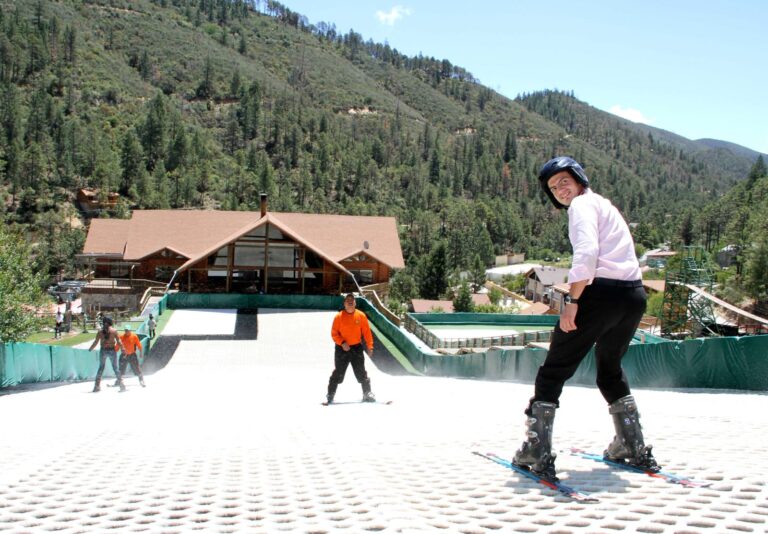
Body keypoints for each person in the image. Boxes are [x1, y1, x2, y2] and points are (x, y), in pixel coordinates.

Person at [512, 156, 660, 481]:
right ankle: (631, 445)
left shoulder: (580, 207)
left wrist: (573, 300)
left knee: (553, 370)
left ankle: (536, 449)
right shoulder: (604, 205)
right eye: (553, 188)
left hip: (599, 295)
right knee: (609, 370)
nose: (560, 190)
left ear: (578, 178)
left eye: (563, 181)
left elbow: (587, 253)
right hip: (632, 296)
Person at [326, 293, 375, 403]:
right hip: (341, 349)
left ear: (355, 303)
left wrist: (370, 346)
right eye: (347, 300)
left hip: (356, 348)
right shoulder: (338, 317)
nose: (350, 301)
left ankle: (367, 393)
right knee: (338, 372)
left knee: (361, 372)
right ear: (344, 304)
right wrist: (342, 343)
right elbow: (334, 334)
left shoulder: (361, 316)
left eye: (352, 300)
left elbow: (367, 333)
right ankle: (330, 394)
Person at [88, 316, 125, 392]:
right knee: (115, 368)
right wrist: (123, 348)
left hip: (103, 350)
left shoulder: (100, 332)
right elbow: (119, 341)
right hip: (112, 350)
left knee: (101, 368)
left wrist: (91, 348)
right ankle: (121, 385)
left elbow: (96, 342)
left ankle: (96, 386)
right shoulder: (114, 331)